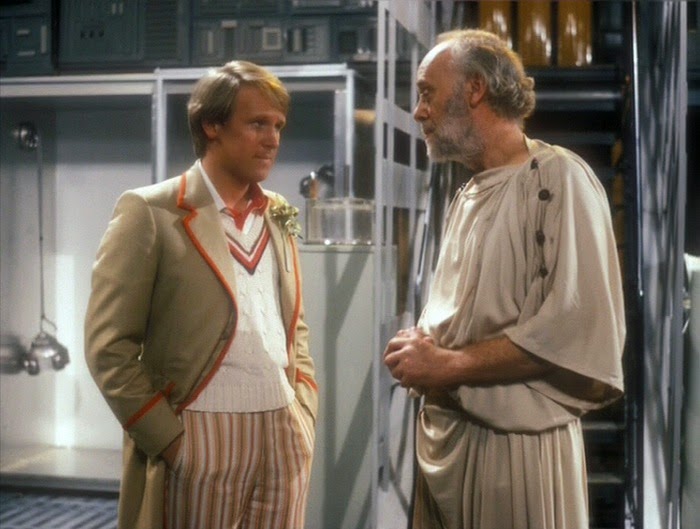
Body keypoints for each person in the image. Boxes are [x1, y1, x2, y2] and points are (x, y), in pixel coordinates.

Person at [383, 29, 625, 529]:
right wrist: (423, 343)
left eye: (427, 93)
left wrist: (449, 364)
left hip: (516, 451)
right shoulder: (468, 192)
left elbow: (572, 329)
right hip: (449, 439)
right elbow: (469, 311)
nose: (419, 111)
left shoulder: (557, 178)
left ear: (474, 89)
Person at [85, 60, 318, 529]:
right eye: (257, 124)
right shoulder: (151, 211)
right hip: (200, 432)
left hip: (284, 430)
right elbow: (108, 346)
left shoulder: (277, 212)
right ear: (212, 125)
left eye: (277, 126)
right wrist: (170, 441)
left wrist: (304, 411)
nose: (272, 139)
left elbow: (294, 325)